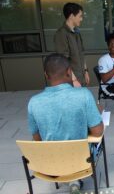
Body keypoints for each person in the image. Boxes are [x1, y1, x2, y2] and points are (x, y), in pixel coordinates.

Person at [28, 53, 104, 194]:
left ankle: (73, 181)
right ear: (69, 72)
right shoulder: (83, 95)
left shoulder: (33, 102)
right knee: (98, 141)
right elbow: (98, 131)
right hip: (81, 163)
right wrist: (91, 116)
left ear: (46, 75)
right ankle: (75, 180)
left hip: (50, 166)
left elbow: (37, 139)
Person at [54, 2, 90, 87]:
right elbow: (63, 61)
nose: (81, 19)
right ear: (71, 16)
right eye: (80, 16)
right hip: (71, 81)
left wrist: (86, 71)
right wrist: (73, 80)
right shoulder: (61, 34)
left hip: (81, 78)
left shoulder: (77, 32)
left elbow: (82, 53)